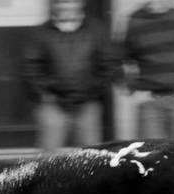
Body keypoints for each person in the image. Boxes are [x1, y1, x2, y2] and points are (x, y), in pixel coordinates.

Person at [22, 0, 121, 152]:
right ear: (54, 5)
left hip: (88, 103)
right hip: (52, 104)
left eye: (71, 3)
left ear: (80, 4)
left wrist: (95, 90)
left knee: (91, 157)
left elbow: (109, 63)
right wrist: (44, 94)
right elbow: (30, 66)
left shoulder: (96, 30)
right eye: (61, 3)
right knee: (49, 160)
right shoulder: (40, 32)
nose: (66, 7)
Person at [123, 0, 174, 140]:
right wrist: (134, 89)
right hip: (150, 100)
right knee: (150, 155)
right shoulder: (136, 19)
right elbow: (124, 57)